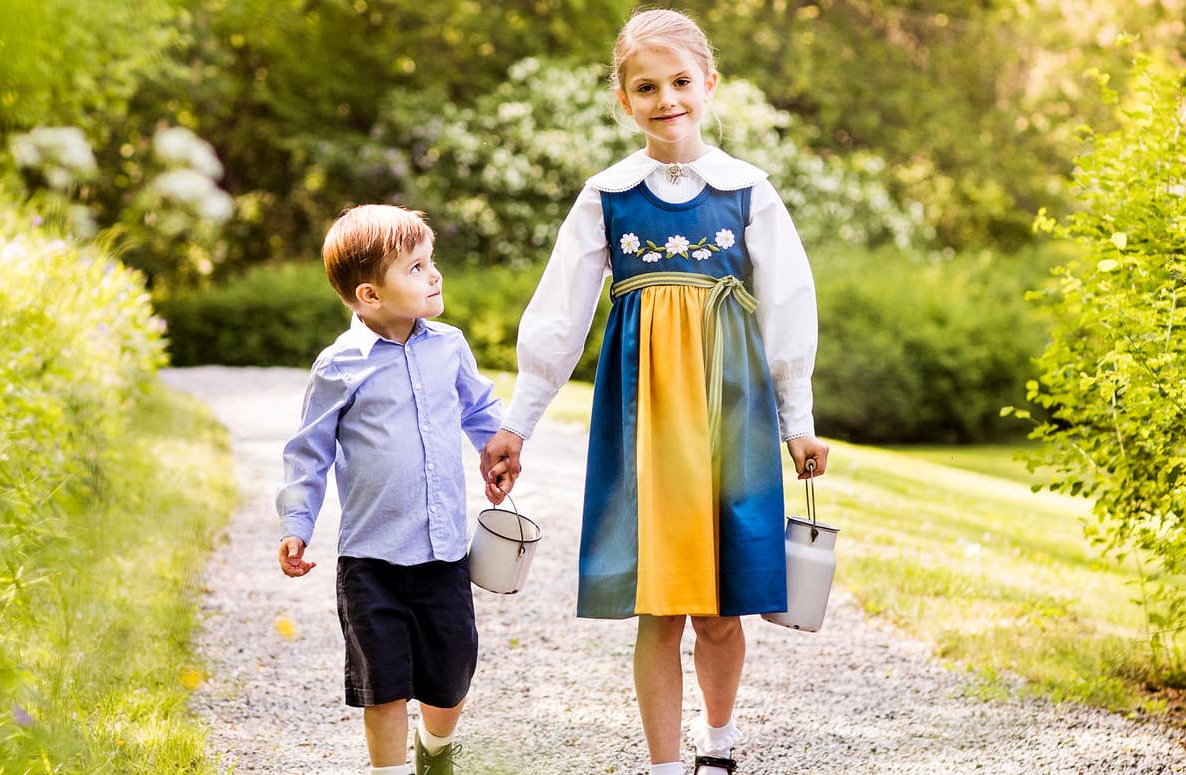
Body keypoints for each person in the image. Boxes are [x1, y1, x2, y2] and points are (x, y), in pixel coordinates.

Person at [480, 9, 829, 774]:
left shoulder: (749, 191)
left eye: (679, 81)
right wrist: (517, 424)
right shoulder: (606, 194)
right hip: (641, 419)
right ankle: (665, 764)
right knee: (659, 601)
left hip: (728, 414)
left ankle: (719, 743)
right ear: (623, 98)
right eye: (646, 86)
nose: (665, 98)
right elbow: (557, 320)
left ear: (708, 84)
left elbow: (787, 309)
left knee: (719, 607)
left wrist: (797, 422)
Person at [276, 204, 503, 775]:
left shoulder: (448, 345)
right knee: (383, 687)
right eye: (416, 267)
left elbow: (479, 409)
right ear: (370, 294)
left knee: (451, 678)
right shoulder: (339, 366)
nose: (435, 275)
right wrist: (296, 525)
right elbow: (309, 451)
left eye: (432, 262)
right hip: (371, 559)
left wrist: (496, 450)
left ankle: (434, 746)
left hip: (444, 551)